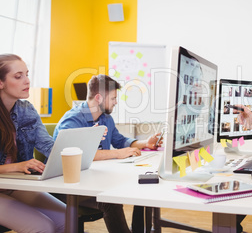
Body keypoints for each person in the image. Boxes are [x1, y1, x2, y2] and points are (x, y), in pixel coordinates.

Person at [54, 74, 162, 233]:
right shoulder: (72, 121)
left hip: (95, 178)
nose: (116, 102)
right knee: (109, 201)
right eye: (113, 98)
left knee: (141, 182)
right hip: (70, 186)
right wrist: (118, 154)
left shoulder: (106, 118)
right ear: (98, 98)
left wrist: (146, 143)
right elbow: (79, 155)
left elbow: (120, 140)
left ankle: (138, 229)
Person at [0, 54, 65, 233]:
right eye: (18, 76)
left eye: (27, 74)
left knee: (68, 219)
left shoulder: (26, 109)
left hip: (15, 186)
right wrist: (18, 166)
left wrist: (73, 154)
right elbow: (19, 166)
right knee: (42, 227)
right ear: (1, 83)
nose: (27, 81)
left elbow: (48, 146)